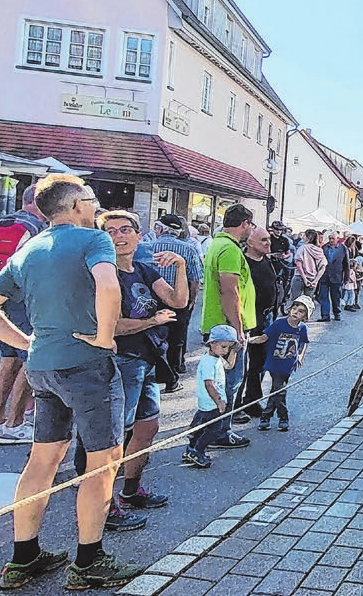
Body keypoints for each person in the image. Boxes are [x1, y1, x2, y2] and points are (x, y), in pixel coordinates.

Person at [0, 174, 146, 590]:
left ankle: (23, 558)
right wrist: (103, 336)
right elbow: (107, 284)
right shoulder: (91, 239)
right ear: (78, 204)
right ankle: (88, 562)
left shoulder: (30, 249)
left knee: (42, 460)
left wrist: (26, 342)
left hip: (42, 367)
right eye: (92, 199)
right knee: (102, 464)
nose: (96, 206)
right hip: (86, 365)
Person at [97, 210, 188, 523]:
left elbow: (178, 301)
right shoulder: (103, 274)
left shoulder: (145, 271)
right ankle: (104, 507)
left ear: (138, 236)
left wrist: (181, 265)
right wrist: (151, 321)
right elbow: (109, 326)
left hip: (147, 359)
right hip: (121, 361)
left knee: (147, 427)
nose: (119, 237)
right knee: (114, 436)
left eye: (125, 230)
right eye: (110, 231)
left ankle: (131, 490)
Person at [0, 184, 48, 443]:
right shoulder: (39, 229)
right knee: (31, 355)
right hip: (24, 298)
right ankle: (15, 423)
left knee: (8, 358)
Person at [200, 204, 257, 450]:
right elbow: (229, 291)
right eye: (251, 225)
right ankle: (220, 431)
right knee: (228, 382)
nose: (251, 230)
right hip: (226, 328)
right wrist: (238, 329)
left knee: (222, 380)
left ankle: (214, 429)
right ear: (244, 223)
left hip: (217, 324)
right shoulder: (230, 249)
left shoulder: (217, 243)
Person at [148, 214, 203, 392]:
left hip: (152, 300)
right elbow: (195, 279)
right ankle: (171, 379)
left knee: (152, 338)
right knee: (176, 340)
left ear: (159, 229)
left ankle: (151, 376)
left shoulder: (148, 247)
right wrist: (192, 300)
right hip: (179, 299)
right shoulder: (188, 249)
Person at [181, 324, 239, 469]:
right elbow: (209, 385)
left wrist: (235, 351)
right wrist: (219, 402)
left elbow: (229, 366)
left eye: (228, 348)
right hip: (211, 403)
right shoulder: (208, 362)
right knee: (213, 430)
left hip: (210, 403)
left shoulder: (217, 357)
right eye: (224, 347)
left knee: (201, 427)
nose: (226, 351)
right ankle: (197, 451)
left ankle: (191, 449)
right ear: (212, 343)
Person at [259, 294, 312, 432]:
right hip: (274, 362)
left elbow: (304, 342)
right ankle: (283, 417)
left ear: (305, 316)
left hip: (288, 364)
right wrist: (249, 340)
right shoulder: (279, 323)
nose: (296, 312)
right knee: (279, 390)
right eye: (294, 308)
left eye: (301, 311)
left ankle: (266, 417)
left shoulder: (302, 328)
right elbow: (265, 337)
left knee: (276, 389)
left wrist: (300, 355)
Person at [242, 226, 277, 420]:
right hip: (249, 319)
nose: (268, 243)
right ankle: (238, 403)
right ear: (250, 243)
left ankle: (252, 400)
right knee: (241, 363)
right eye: (263, 240)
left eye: (268, 239)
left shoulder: (267, 261)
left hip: (266, 318)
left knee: (260, 362)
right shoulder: (244, 262)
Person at [289, 228, 326, 314]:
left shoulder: (302, 248)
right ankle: (304, 319)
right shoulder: (319, 251)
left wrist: (304, 279)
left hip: (299, 277)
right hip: (312, 278)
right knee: (307, 302)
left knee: (295, 301)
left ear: (308, 237)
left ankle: (294, 320)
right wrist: (316, 280)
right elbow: (323, 267)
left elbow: (299, 265)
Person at [319, 233, 346, 321]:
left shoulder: (343, 248)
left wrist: (346, 277)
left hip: (337, 276)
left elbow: (346, 264)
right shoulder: (324, 248)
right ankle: (325, 315)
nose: (331, 240)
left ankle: (337, 313)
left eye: (333, 238)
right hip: (324, 276)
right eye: (330, 238)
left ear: (337, 239)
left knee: (336, 296)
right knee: (323, 296)